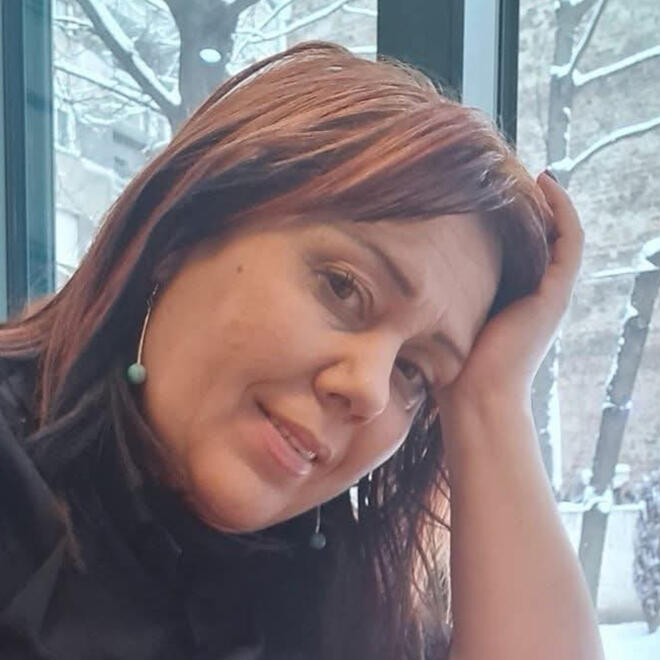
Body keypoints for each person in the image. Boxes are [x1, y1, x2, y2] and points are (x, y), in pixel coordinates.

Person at [0, 41, 603, 659]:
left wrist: (490, 400)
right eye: (343, 287)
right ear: (180, 233)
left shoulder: (340, 605)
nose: (368, 389)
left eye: (412, 371)